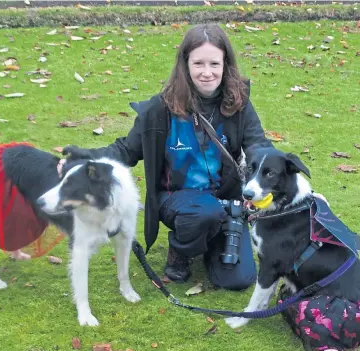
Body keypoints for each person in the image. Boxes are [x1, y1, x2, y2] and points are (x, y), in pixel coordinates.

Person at [59, 24, 273, 291]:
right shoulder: (161, 108)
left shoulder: (238, 102)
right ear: (185, 64)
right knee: (203, 212)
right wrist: (83, 160)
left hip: (225, 201)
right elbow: (126, 149)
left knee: (237, 280)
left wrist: (284, 173)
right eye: (198, 63)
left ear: (225, 64)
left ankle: (206, 239)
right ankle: (180, 252)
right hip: (177, 199)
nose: (207, 72)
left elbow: (259, 146)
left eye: (214, 64)